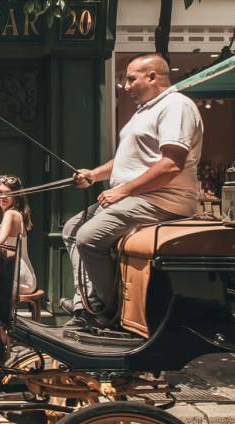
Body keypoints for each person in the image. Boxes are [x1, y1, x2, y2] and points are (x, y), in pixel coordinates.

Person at [61, 53, 203, 329]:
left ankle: (110, 311)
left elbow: (171, 165)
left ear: (152, 77)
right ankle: (90, 301)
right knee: (71, 229)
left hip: (162, 200)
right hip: (137, 197)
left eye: (130, 78)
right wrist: (94, 174)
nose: (125, 86)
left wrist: (123, 190)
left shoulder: (175, 106)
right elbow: (128, 160)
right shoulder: (146, 110)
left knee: (89, 237)